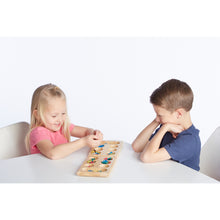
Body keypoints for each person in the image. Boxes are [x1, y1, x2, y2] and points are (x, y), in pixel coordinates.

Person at [132, 79, 201, 171]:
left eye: (160, 115)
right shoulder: (169, 127)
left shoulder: (189, 141)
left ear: (179, 114)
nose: (157, 119)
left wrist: (165, 128)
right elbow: (137, 147)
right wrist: (157, 122)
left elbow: (146, 157)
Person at [25, 83, 103, 160]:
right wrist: (83, 142)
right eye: (54, 116)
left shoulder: (63, 126)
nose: (60, 119)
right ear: (37, 114)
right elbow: (53, 153)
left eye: (63, 113)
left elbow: (86, 131)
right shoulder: (38, 132)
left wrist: (94, 135)